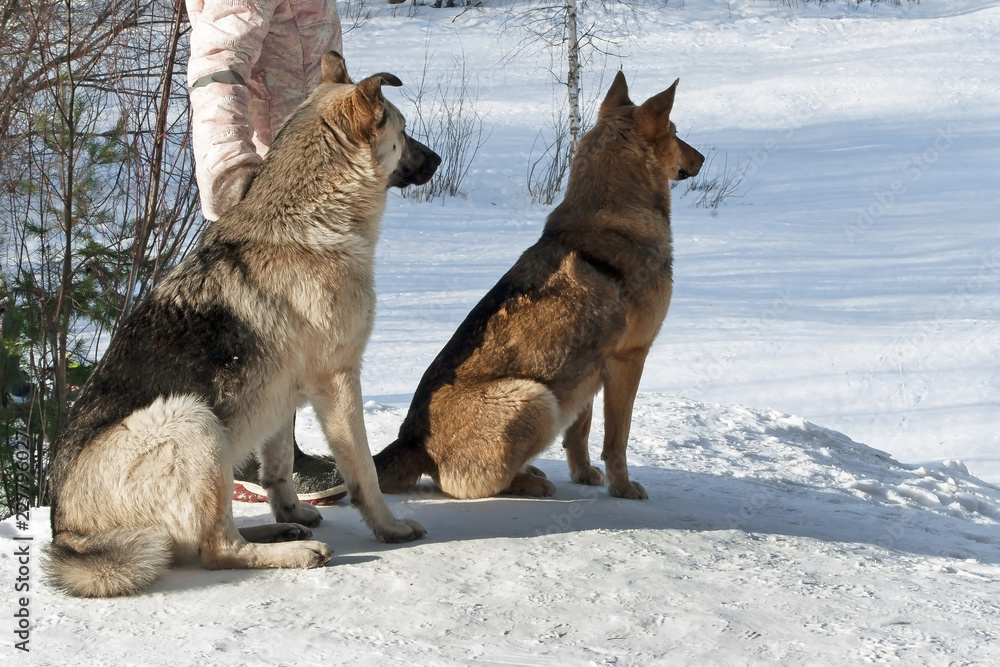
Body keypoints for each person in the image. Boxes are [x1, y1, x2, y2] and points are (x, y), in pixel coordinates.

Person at [186, 0, 374, 505]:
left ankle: (277, 449)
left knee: (299, 324)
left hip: (310, 166)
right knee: (263, 320)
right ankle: (244, 454)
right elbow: (217, 62)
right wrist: (230, 168)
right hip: (269, 185)